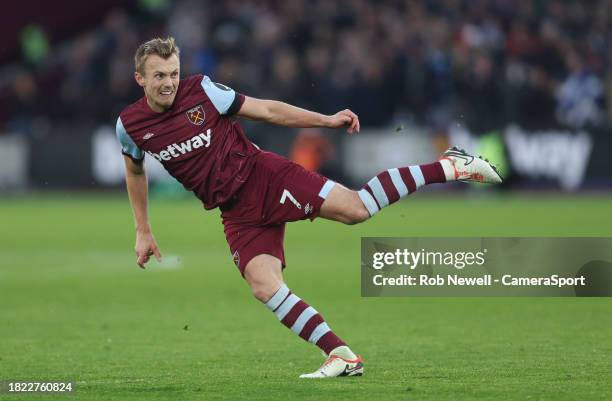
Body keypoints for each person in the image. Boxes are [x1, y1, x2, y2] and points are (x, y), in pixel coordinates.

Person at [116, 37, 502, 379]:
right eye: (159, 76)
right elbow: (135, 171)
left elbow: (267, 111)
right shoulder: (130, 126)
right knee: (264, 286)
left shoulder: (201, 91)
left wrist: (325, 121)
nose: (168, 82)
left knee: (357, 209)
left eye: (173, 73)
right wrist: (143, 229)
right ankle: (341, 355)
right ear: (140, 79)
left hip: (263, 177)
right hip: (235, 210)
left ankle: (451, 165)